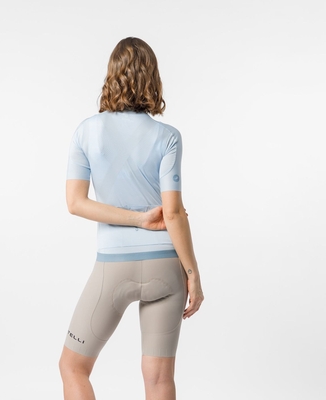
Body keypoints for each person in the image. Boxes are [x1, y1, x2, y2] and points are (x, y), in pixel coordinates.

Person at [59, 37, 204, 400]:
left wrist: (137, 221)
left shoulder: (86, 132)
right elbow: (173, 213)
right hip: (166, 267)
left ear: (112, 75)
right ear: (153, 78)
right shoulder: (168, 137)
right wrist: (192, 274)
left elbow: (75, 203)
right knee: (159, 380)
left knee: (73, 367)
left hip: (114, 266)